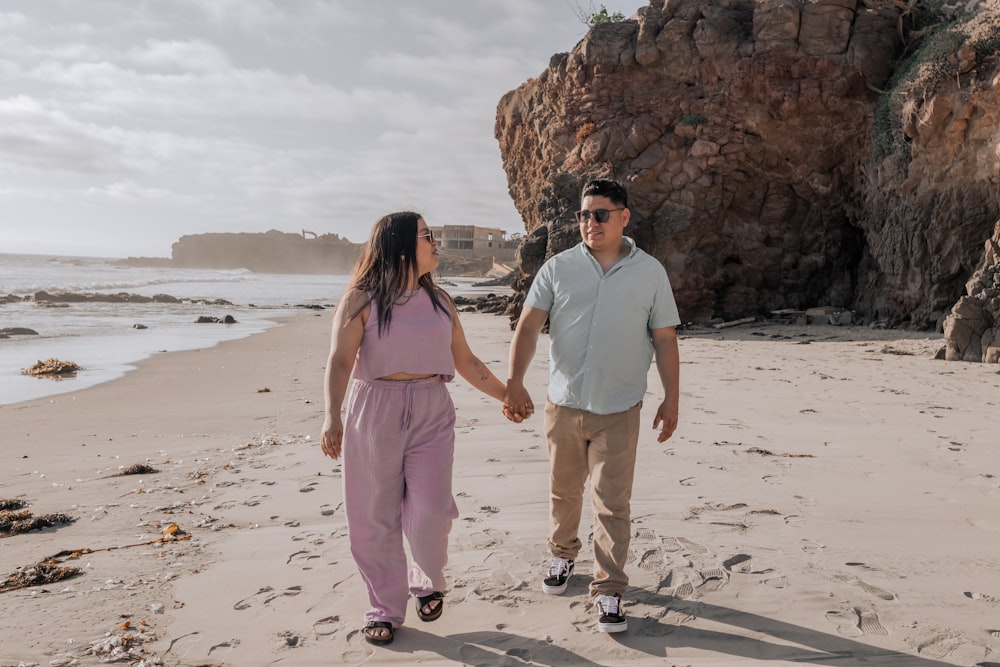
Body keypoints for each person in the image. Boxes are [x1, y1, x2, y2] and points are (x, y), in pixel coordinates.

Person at [320, 211, 507, 646]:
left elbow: (466, 361)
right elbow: (341, 360)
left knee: (433, 510)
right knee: (373, 516)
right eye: (428, 236)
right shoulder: (360, 300)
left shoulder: (441, 301)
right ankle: (384, 607)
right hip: (375, 408)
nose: (436, 242)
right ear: (402, 245)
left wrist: (507, 395)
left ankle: (427, 579)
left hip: (431, 408)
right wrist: (333, 415)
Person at [503, 178, 681, 634]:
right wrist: (514, 383)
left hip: (620, 409)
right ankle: (562, 556)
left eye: (600, 214)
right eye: (584, 214)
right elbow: (527, 328)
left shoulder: (650, 273)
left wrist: (671, 398)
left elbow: (664, 338)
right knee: (564, 491)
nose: (590, 222)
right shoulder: (558, 268)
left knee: (611, 504)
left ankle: (609, 591)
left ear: (624, 217)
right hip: (563, 405)